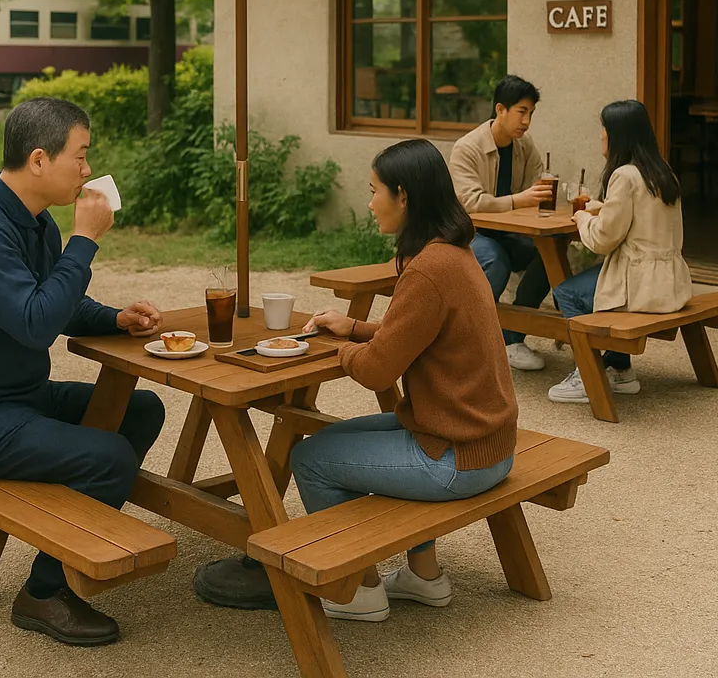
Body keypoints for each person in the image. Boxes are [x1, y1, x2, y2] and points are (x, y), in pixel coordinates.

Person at [0, 97, 166, 646]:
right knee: (109, 456)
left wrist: (116, 318)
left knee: (141, 409)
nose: (89, 170)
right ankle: (44, 594)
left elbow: (58, 304)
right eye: (82, 155)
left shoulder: (35, 222)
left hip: (14, 398)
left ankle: (76, 530)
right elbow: (34, 323)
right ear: (41, 160)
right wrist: (86, 239)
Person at [291, 138, 518, 622]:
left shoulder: (428, 269)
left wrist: (342, 349)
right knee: (339, 438)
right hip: (489, 443)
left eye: (375, 191)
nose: (369, 203)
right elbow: (417, 334)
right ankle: (423, 575)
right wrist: (355, 328)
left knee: (310, 457)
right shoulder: (454, 254)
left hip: (458, 456)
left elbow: (377, 368)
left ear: (404, 195)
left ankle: (358, 591)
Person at [547, 99, 693, 404]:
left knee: (567, 293)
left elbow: (602, 240)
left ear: (618, 135)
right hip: (670, 282)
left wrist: (583, 217)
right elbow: (640, 218)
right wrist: (602, 207)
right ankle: (620, 368)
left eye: (604, 129)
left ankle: (588, 373)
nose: (601, 135)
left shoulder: (624, 176)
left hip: (641, 286)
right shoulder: (661, 171)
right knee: (595, 287)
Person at [449, 75, 555, 372]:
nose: (527, 121)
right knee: (495, 259)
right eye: (522, 112)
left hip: (509, 229)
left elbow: (537, 182)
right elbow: (469, 202)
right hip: (469, 231)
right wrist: (519, 200)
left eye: (531, 113)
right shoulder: (467, 148)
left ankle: (511, 340)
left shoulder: (524, 145)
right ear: (500, 109)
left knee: (547, 255)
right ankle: (469, 340)